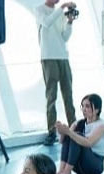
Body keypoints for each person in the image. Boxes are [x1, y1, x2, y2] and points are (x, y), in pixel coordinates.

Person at [35, 0, 78, 146]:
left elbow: (64, 36)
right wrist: (62, 7)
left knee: (68, 94)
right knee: (51, 96)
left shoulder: (59, 12)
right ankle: (51, 131)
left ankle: (73, 127)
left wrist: (69, 22)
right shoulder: (39, 9)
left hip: (63, 57)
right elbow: (47, 23)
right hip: (48, 57)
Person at [56, 94, 104, 174]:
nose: (84, 109)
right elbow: (63, 141)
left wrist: (69, 132)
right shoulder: (78, 123)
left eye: (87, 106)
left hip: (94, 166)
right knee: (72, 135)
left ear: (96, 110)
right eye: (83, 106)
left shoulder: (102, 125)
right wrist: (62, 132)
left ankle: (67, 172)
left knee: (77, 136)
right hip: (78, 166)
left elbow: (88, 143)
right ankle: (61, 170)